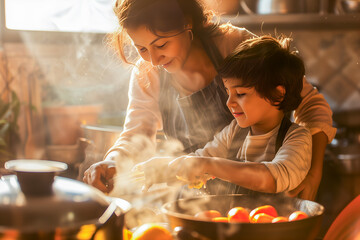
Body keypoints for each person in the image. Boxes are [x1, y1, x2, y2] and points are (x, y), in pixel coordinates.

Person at [83, 0, 336, 199]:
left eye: (161, 45)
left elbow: (311, 105)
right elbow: (136, 135)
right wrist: (112, 161)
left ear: (187, 23)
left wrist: (313, 173)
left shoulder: (235, 46)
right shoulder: (147, 73)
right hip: (201, 201)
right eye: (141, 48)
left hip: (270, 199)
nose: (153, 59)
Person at [137, 35, 312, 194]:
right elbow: (200, 159)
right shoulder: (234, 131)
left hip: (275, 227)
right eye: (228, 92)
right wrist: (162, 168)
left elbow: (273, 178)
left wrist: (207, 165)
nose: (229, 102)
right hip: (233, 223)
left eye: (241, 94)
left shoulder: (297, 138)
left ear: (277, 94)